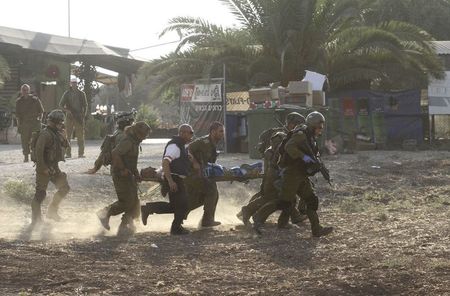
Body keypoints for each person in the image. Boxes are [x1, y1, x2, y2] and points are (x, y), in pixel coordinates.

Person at [252, 111, 333, 237]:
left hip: (301, 174)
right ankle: (258, 219)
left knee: (311, 200)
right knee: (284, 202)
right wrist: (303, 157)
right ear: (313, 125)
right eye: (319, 127)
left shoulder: (310, 136)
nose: (320, 130)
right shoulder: (301, 134)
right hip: (292, 173)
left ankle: (316, 229)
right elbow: (289, 147)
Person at [97, 121, 151, 236]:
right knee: (127, 201)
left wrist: (136, 174)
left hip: (128, 174)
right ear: (137, 133)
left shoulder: (135, 142)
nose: (145, 137)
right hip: (120, 174)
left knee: (135, 202)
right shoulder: (128, 141)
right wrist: (122, 169)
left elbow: (131, 161)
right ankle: (105, 213)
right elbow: (115, 153)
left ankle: (125, 226)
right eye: (143, 135)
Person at [141, 124, 194, 235]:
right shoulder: (174, 146)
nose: (191, 135)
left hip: (177, 178)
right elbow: (165, 162)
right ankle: (176, 228)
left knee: (176, 206)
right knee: (183, 204)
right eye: (190, 133)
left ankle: (149, 209)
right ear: (183, 133)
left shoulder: (181, 146)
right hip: (174, 178)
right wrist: (170, 181)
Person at [31, 109, 70, 225]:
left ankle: (52, 211)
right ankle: (36, 220)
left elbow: (65, 146)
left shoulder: (56, 133)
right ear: (53, 122)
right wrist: (43, 168)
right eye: (59, 122)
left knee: (64, 188)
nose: (61, 125)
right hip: (44, 168)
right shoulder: (45, 134)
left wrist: (64, 137)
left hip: (54, 167)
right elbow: (38, 151)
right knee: (40, 194)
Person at [187, 121, 224, 227]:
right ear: (213, 132)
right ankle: (207, 220)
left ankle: (207, 219)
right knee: (211, 191)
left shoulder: (214, 143)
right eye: (220, 131)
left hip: (203, 174)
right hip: (193, 174)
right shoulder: (203, 142)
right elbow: (187, 150)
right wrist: (194, 162)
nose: (223, 134)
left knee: (214, 194)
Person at [59, 76, 87, 158]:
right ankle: (68, 153)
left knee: (80, 136)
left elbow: (85, 105)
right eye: (73, 83)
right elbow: (60, 105)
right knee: (67, 136)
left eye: (75, 83)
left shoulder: (82, 94)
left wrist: (83, 115)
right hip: (70, 117)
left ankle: (81, 153)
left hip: (79, 117)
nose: (74, 84)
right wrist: (67, 111)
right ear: (70, 84)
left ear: (77, 84)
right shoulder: (67, 93)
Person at [15, 84, 44, 162]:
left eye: (26, 90)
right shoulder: (19, 101)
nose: (25, 91)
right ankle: (26, 156)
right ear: (21, 91)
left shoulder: (35, 99)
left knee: (35, 140)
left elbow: (41, 111)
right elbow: (17, 115)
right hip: (24, 123)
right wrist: (19, 125)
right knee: (24, 140)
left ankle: (34, 155)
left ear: (29, 90)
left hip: (35, 123)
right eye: (23, 90)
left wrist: (40, 120)